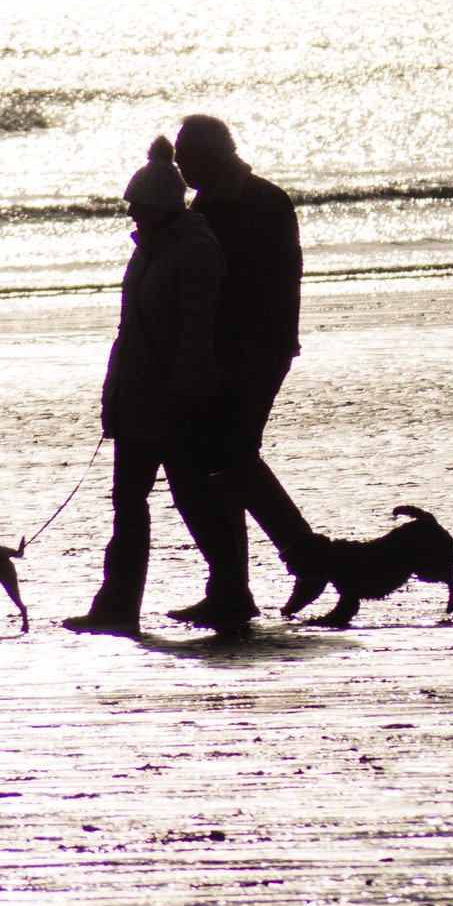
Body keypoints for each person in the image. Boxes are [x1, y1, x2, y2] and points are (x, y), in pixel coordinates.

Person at [61, 139, 245, 636]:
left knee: (192, 499)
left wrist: (184, 392)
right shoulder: (150, 252)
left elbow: (197, 328)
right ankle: (119, 604)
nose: (133, 215)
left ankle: (227, 593)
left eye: (139, 207)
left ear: (161, 207)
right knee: (134, 500)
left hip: (177, 402)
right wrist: (114, 397)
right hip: (141, 402)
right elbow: (130, 334)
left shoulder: (195, 251)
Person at [172, 114, 317, 628]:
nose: (180, 166)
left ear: (213, 154)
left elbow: (269, 287)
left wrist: (248, 348)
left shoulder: (255, 202)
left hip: (254, 350)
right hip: (237, 348)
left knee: (228, 457)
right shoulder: (214, 200)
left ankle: (301, 554)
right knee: (221, 463)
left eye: (186, 157)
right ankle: (235, 584)